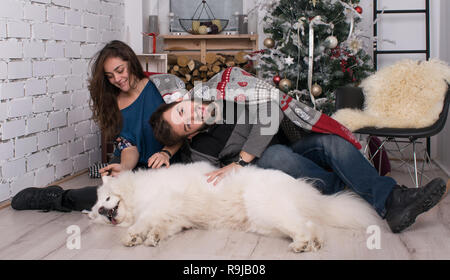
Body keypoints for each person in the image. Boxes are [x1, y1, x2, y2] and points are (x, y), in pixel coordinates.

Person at [149, 97, 447, 234]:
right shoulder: (201, 151)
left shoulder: (224, 95)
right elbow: (202, 184)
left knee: (331, 144)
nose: (194, 114)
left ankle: (392, 199)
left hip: (298, 142)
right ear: (188, 134)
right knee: (274, 156)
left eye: (184, 109)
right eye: (187, 122)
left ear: (182, 99)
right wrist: (167, 152)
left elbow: (269, 110)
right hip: (277, 167)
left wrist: (241, 160)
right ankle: (366, 193)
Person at [11, 40, 179, 212]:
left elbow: (186, 128)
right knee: (109, 199)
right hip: (134, 163)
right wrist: (124, 168)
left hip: (167, 161)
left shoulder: (160, 85)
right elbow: (129, 147)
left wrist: (166, 153)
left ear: (131, 61)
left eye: (120, 70)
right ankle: (55, 198)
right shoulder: (112, 104)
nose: (117, 79)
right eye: (110, 76)